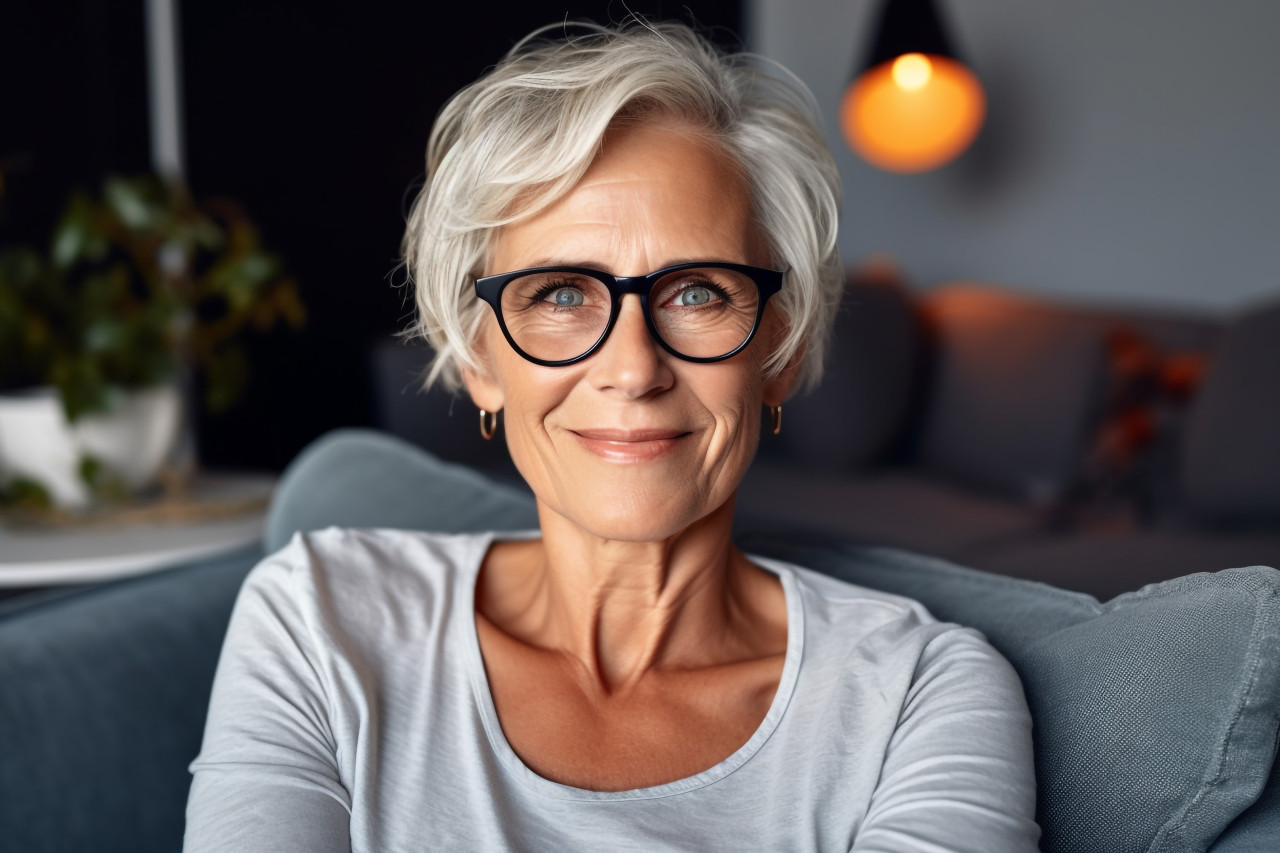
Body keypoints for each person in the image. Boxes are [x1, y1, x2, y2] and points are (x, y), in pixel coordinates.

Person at [185, 20, 1039, 852]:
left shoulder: (919, 694)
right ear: (479, 359)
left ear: (781, 350)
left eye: (698, 292)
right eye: (560, 294)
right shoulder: (320, 616)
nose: (633, 369)